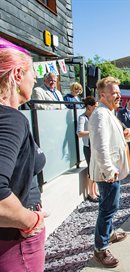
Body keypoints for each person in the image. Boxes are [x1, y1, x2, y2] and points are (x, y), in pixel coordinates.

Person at [0, 37, 47, 271]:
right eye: (33, 75)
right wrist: (31, 220)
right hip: (14, 243)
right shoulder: (10, 119)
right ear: (18, 74)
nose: (35, 81)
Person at [88, 76, 130, 268]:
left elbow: (110, 139)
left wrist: (124, 135)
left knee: (111, 206)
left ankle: (110, 234)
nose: (118, 96)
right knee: (107, 209)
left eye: (119, 92)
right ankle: (100, 249)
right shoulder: (100, 114)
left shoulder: (108, 112)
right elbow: (99, 146)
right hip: (108, 173)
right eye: (114, 93)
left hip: (111, 171)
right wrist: (108, 170)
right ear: (102, 94)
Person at [77, 96, 99, 202]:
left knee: (95, 170)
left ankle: (94, 191)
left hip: (95, 146)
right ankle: (90, 193)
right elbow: (79, 133)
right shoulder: (82, 117)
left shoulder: (94, 117)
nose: (96, 108)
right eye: (95, 106)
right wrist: (93, 132)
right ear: (89, 106)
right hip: (88, 147)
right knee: (91, 170)